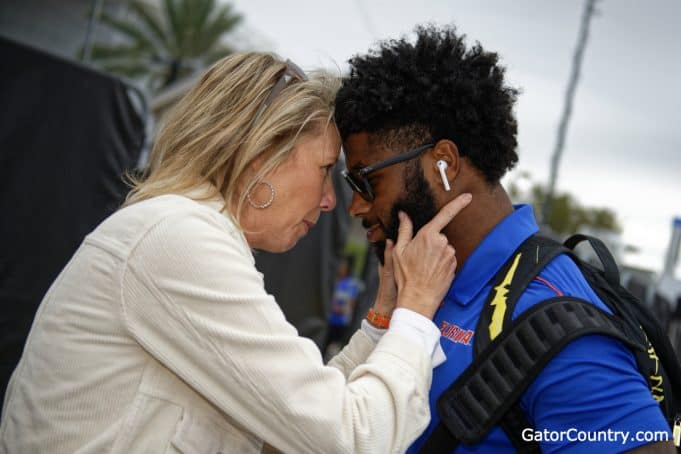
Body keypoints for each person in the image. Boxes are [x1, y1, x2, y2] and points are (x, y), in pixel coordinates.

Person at [0, 52, 473, 453]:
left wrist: (383, 319)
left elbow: (292, 418)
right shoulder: (179, 239)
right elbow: (350, 437)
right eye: (326, 168)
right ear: (262, 153)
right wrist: (416, 313)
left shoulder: (179, 233)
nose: (332, 201)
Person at [334, 25, 675, 452]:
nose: (356, 207)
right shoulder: (422, 280)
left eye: (366, 182)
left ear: (444, 163)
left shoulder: (557, 325)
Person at [324, 256, 364, 356]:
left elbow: (351, 304)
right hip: (327, 321)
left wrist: (338, 308)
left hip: (341, 324)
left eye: (343, 264)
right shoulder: (333, 280)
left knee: (333, 350)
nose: (340, 266)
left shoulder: (352, 284)